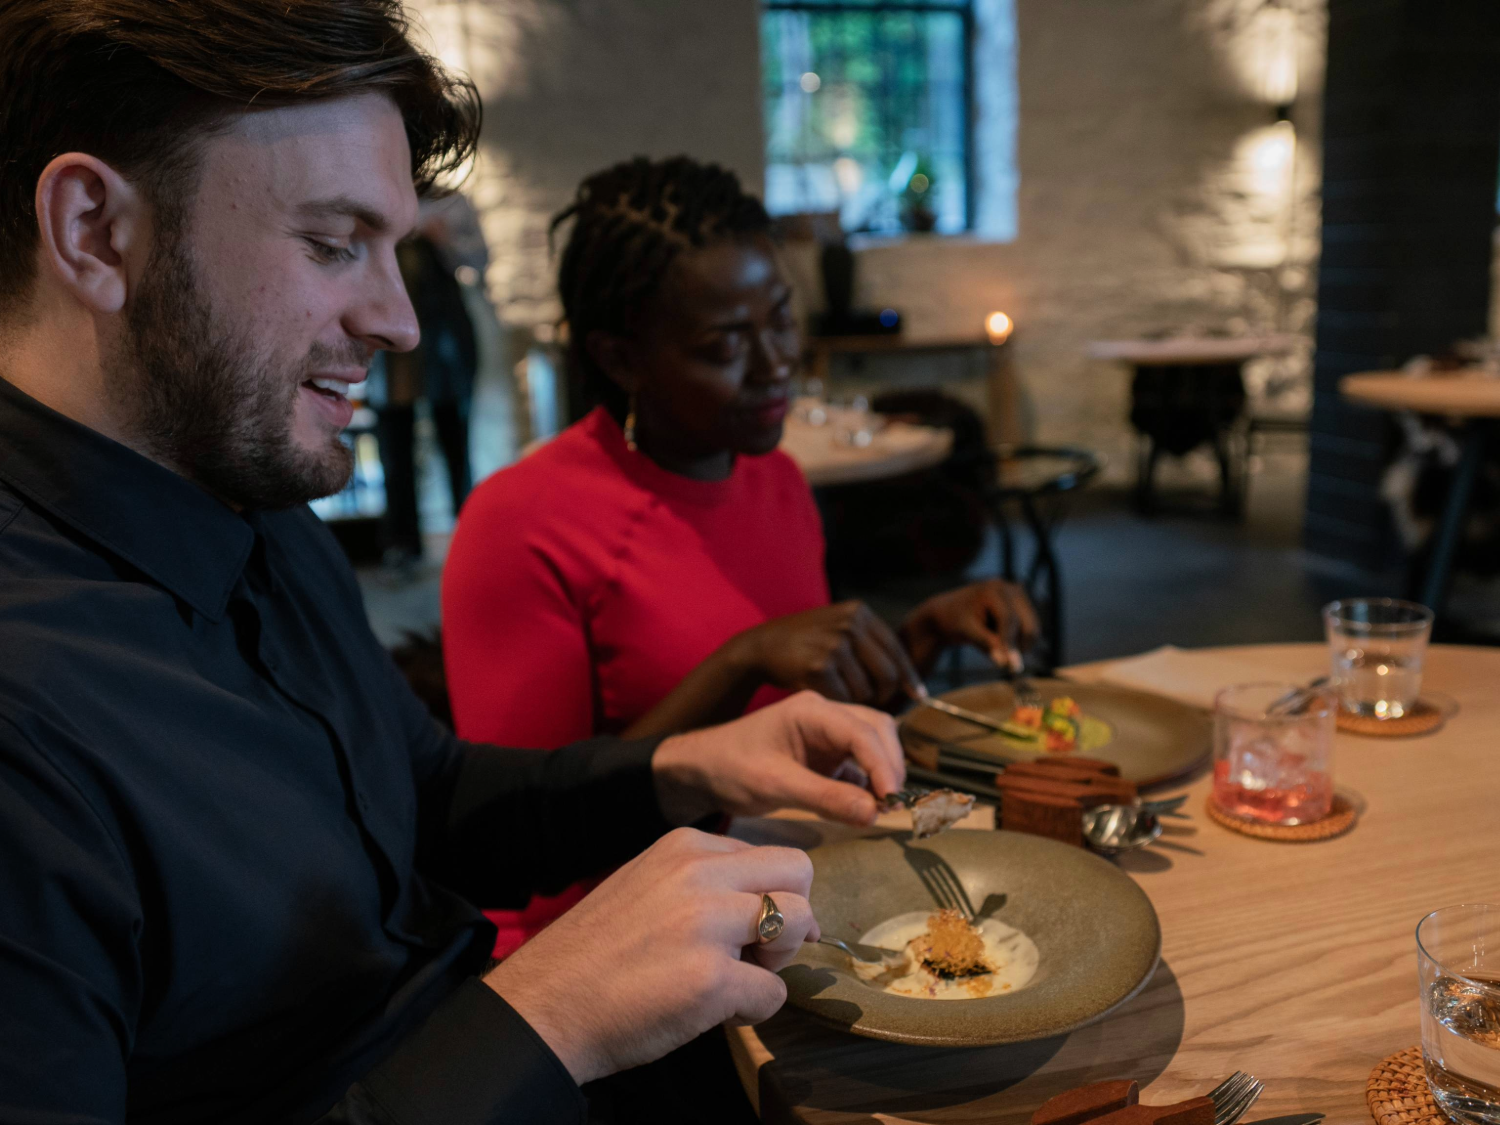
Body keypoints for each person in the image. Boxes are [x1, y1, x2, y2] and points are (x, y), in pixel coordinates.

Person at [0, 4, 909, 1122]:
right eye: (334, 244)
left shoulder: (251, 500)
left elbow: (424, 795)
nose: (399, 321)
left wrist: (694, 763)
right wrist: (546, 1016)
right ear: (95, 231)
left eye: (398, 248)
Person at [441, 157, 1038, 955]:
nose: (775, 361)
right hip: (599, 954)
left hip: (769, 902)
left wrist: (922, 631)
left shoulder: (775, 478)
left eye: (782, 318)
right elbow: (520, 836)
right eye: (727, 343)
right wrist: (739, 659)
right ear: (622, 359)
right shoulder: (522, 520)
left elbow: (790, 730)